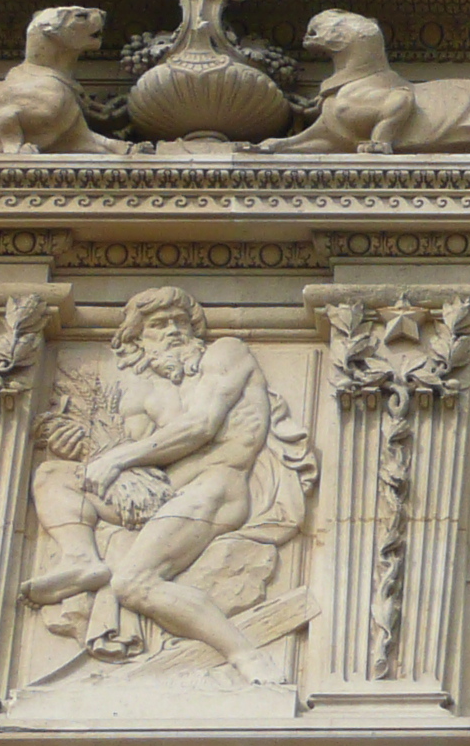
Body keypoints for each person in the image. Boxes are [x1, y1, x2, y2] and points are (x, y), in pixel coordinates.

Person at [21, 287, 314, 684]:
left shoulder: (226, 354)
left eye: (180, 322)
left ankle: (244, 655)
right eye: (158, 325)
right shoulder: (146, 388)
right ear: (138, 338)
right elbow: (132, 450)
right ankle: (80, 559)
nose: (173, 331)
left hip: (217, 488)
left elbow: (201, 425)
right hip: (163, 491)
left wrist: (117, 459)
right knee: (52, 474)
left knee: (132, 582)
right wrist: (77, 447)